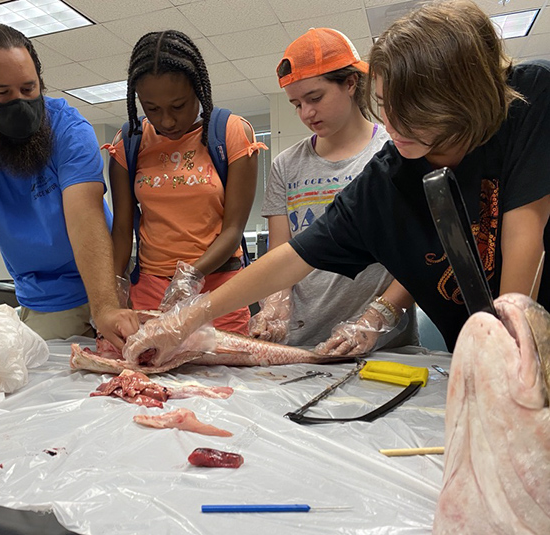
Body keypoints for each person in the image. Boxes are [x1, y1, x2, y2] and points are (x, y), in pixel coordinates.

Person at [122, 0, 550, 366]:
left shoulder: (528, 100)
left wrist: (504, 357)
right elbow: (294, 255)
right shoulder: (388, 178)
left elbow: (524, 236)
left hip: (523, 347)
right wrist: (188, 318)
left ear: (462, 95)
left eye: (415, 111)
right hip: (478, 356)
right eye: (384, 106)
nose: (395, 126)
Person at [0, 23, 138, 347]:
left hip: (106, 273)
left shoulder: (69, 127)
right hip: (46, 293)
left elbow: (84, 216)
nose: (20, 103)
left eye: (28, 89)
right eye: (2, 93)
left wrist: (107, 307)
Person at [248, 27, 417, 352]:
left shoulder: (394, 152)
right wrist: (275, 302)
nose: (306, 113)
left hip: (381, 346)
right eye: (296, 104)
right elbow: (281, 252)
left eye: (315, 98)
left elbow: (419, 255)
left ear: (351, 83)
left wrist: (375, 318)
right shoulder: (286, 165)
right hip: (301, 342)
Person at [103, 30, 266, 334]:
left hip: (219, 289)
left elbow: (232, 230)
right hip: (151, 292)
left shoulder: (231, 133)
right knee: (148, 378)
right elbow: (122, 230)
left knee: (225, 380)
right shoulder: (129, 142)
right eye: (152, 109)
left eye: (178, 106)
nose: (166, 121)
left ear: (199, 91)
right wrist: (112, 295)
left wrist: (191, 277)